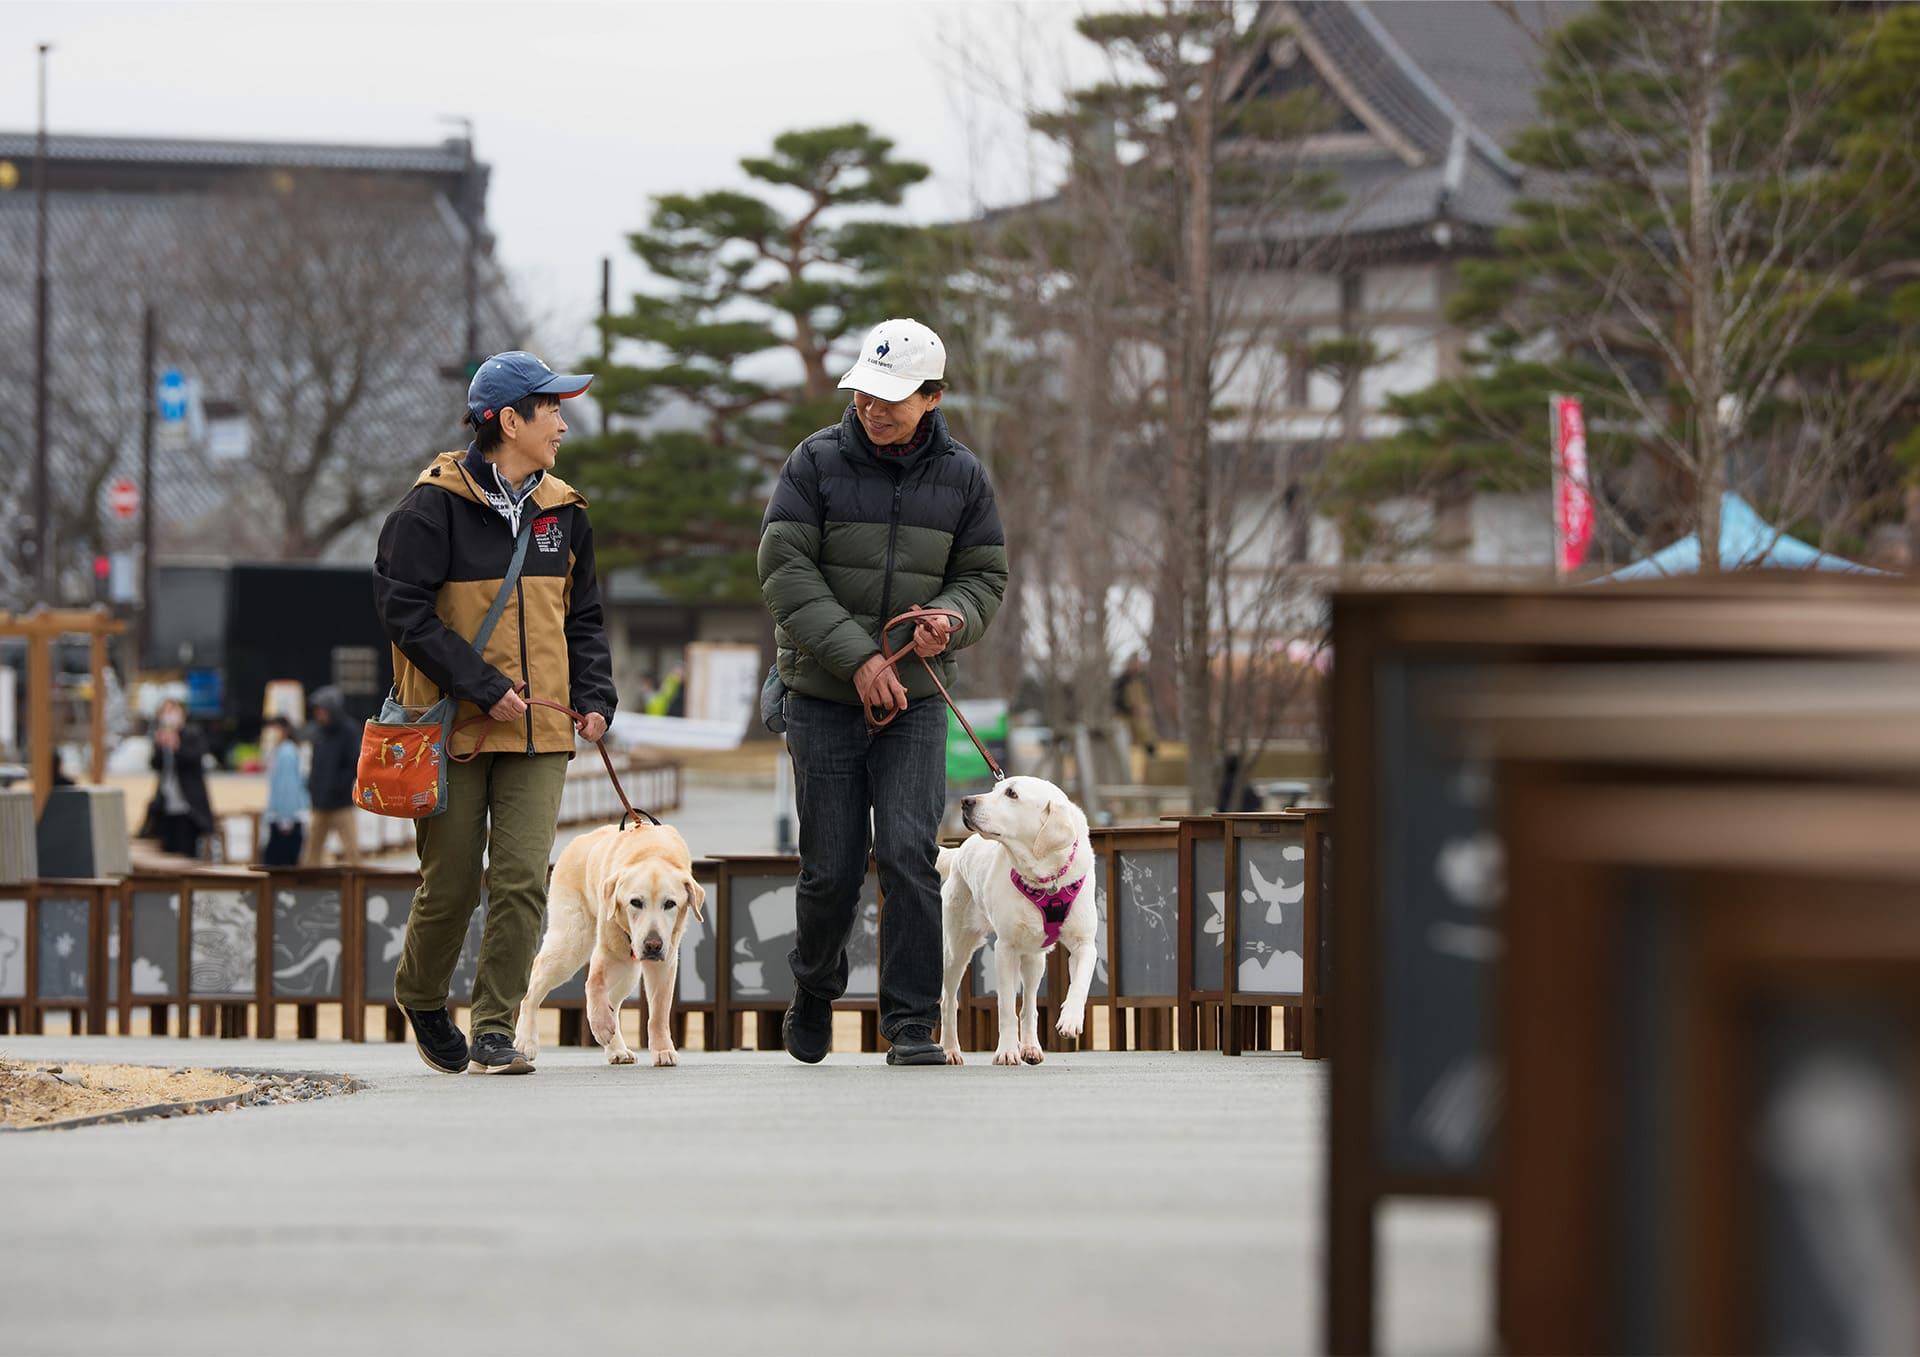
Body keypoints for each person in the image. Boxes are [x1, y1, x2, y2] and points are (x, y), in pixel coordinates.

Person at [758, 318, 1007, 1066]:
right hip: (823, 695)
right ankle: (813, 985)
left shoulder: (963, 476)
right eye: (865, 390)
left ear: (933, 397)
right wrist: (860, 656)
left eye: (893, 397)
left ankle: (910, 1022)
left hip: (917, 700)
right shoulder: (815, 463)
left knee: (908, 850)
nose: (873, 406)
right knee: (831, 866)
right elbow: (783, 570)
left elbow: (985, 577)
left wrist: (951, 618)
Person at [373, 351, 616, 1076]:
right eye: (552, 410)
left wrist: (596, 695)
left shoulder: (566, 513)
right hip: (451, 727)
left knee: (520, 879)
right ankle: (420, 993)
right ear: (509, 421)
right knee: (448, 882)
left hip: (539, 730)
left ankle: (493, 1026)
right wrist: (480, 683)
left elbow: (587, 618)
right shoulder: (429, 507)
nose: (563, 425)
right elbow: (402, 611)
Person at [140, 698, 213, 858]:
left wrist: (176, 745)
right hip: (166, 805)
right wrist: (160, 747)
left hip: (189, 806)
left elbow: (194, 759)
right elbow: (155, 764)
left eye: (172, 711)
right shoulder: (161, 737)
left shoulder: (192, 733)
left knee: (186, 853)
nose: (169, 716)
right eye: (164, 712)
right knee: (167, 852)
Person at [302, 687, 359, 866]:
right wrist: (312, 787)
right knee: (312, 850)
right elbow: (315, 764)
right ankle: (308, 887)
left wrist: (338, 786)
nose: (319, 714)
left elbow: (354, 765)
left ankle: (358, 888)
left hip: (341, 802)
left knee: (352, 851)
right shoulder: (319, 732)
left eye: (322, 710)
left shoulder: (349, 731)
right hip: (320, 802)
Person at [260, 715, 308, 866]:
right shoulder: (281, 750)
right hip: (284, 815)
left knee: (279, 864)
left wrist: (285, 818)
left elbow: (288, 786)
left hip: (285, 818)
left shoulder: (286, 752)